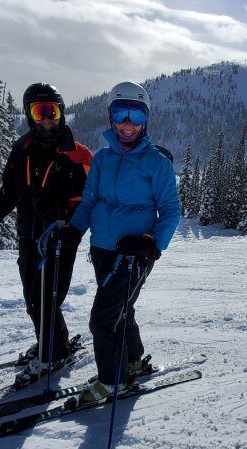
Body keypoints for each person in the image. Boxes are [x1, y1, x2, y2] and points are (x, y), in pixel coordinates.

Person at [59, 81, 180, 405]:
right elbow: (88, 201)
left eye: (135, 115)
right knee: (119, 310)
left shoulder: (157, 163)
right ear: (110, 116)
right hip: (102, 249)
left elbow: (170, 210)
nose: (127, 123)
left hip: (135, 254)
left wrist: (151, 243)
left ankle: (113, 382)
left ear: (146, 120)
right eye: (120, 113)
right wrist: (74, 230)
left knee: (102, 319)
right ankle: (133, 359)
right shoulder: (102, 159)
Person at [0, 83, 91, 372]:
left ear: (61, 113)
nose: (47, 118)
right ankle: (54, 343)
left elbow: (89, 202)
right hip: (28, 235)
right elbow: (8, 194)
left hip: (60, 238)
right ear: (29, 114)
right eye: (39, 111)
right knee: (33, 300)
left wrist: (63, 217)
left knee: (45, 299)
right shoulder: (21, 151)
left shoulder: (78, 156)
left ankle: (51, 355)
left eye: (52, 110)